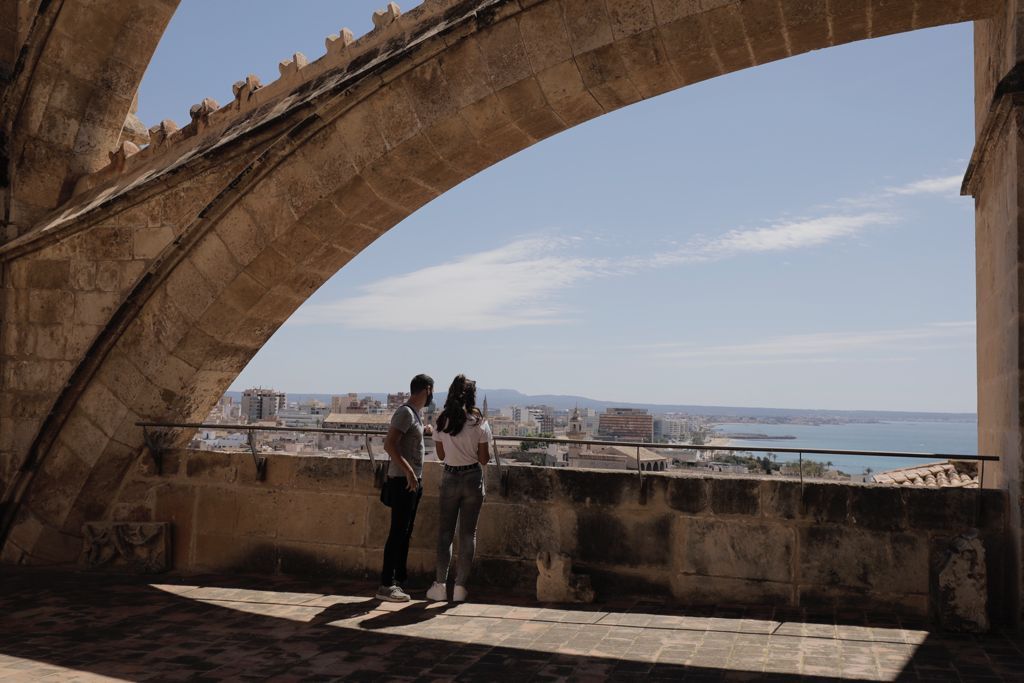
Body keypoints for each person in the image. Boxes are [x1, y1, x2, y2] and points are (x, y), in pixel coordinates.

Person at [426, 374, 491, 602]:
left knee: (445, 534)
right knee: (467, 534)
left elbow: (441, 455)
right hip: (473, 477)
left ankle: (440, 585)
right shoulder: (479, 422)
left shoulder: (442, 420)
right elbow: (484, 459)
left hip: (450, 476)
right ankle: (460, 587)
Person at [376, 373, 433, 602]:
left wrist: (424, 430)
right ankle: (386, 584)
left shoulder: (414, 415)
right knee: (398, 532)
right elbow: (389, 444)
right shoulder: (405, 413)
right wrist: (409, 471)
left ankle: (399, 580)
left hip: (411, 481)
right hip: (403, 481)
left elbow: (409, 439)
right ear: (427, 389)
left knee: (405, 532)